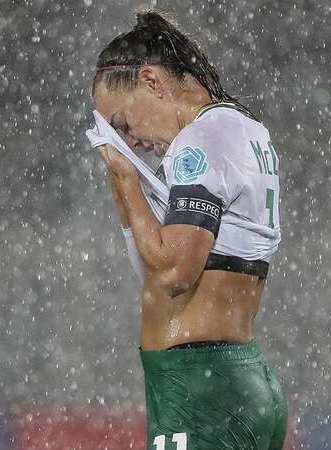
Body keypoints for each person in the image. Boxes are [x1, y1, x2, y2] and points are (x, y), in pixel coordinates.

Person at [85, 11, 287, 450]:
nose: (130, 141)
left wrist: (126, 178)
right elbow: (156, 263)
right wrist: (126, 193)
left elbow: (175, 273)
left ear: (152, 81)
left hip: (201, 388)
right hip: (238, 380)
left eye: (122, 123)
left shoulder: (199, 141)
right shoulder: (245, 128)